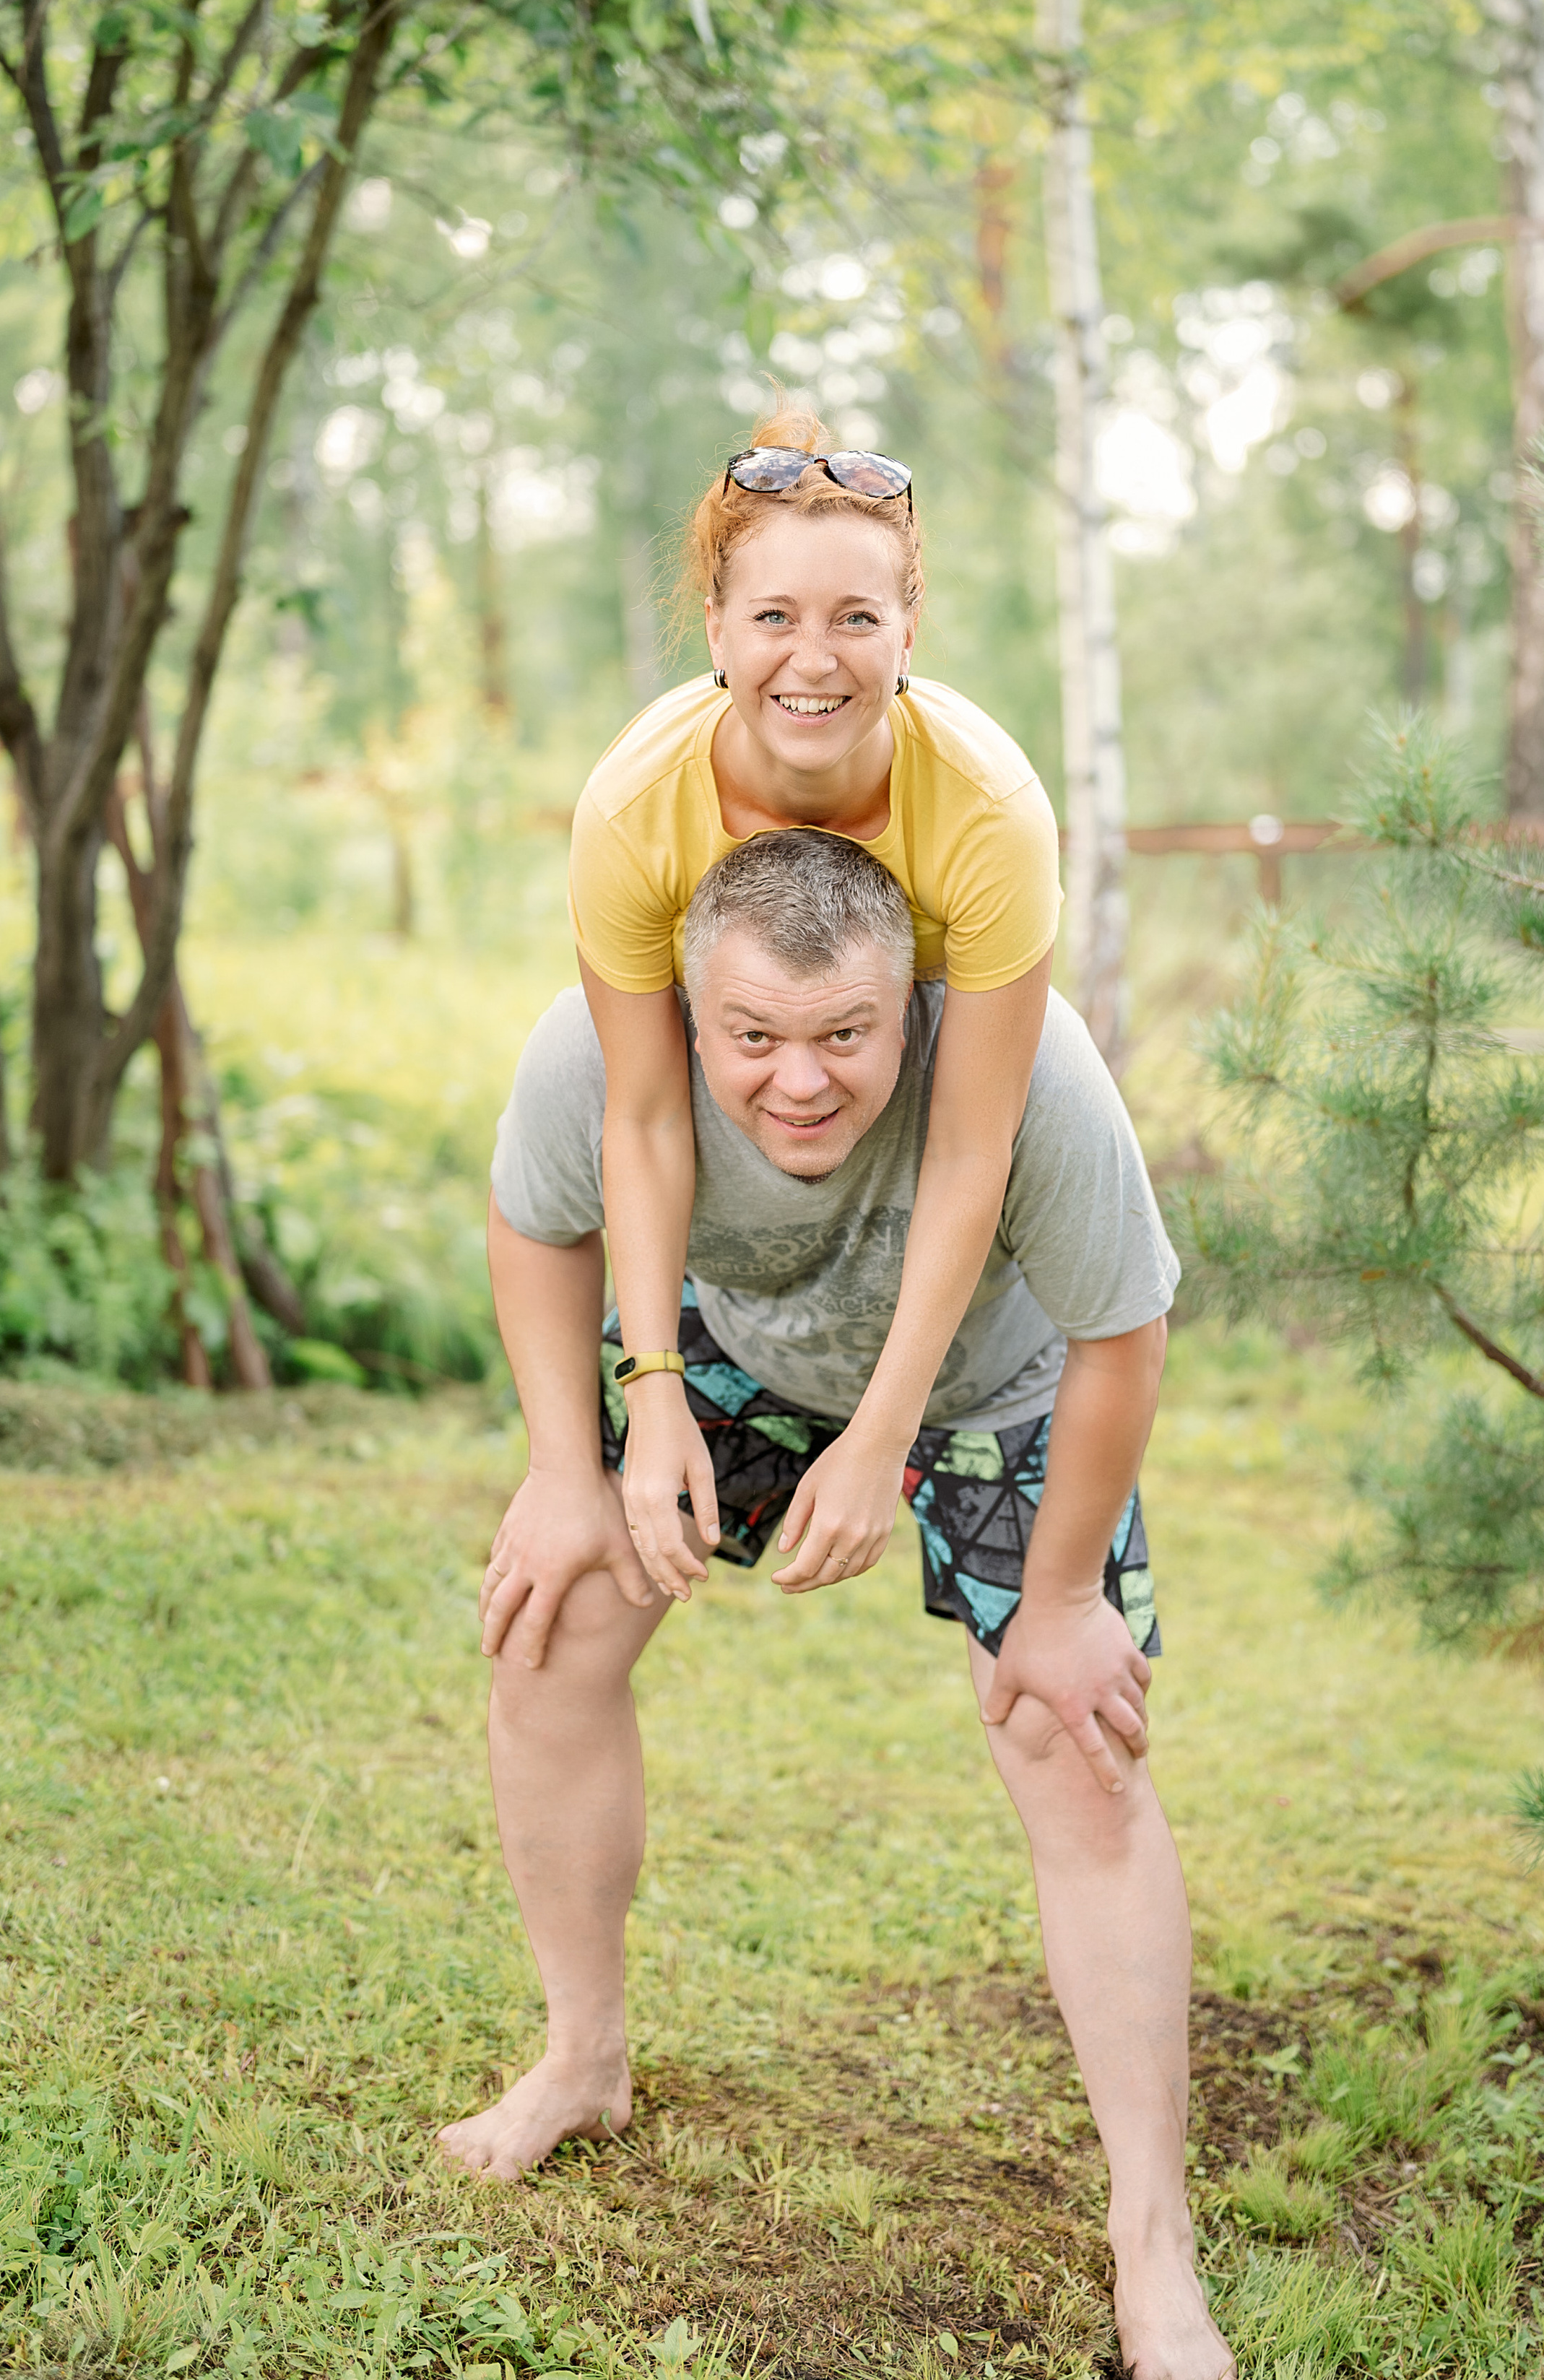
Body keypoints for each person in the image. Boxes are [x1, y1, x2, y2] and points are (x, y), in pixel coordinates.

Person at [441, 830, 1238, 2380]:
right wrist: (563, 1464)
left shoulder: (1031, 1071)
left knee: (1071, 1746)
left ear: (912, 1008)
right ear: (688, 1006)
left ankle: (1155, 2248)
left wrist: (1062, 1597)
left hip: (989, 1389)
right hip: (728, 1354)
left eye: (843, 1037)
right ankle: (580, 2059)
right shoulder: (596, 1041)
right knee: (548, 1628)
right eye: (752, 1037)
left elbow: (1122, 1333)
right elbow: (538, 1225)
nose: (796, 1081)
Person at [567, 404, 1062, 1626]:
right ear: (718, 631)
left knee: (1066, 1705)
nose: (815, 658)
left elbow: (970, 1143)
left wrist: (883, 1435)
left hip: (937, 1158)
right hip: (750, 1201)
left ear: (909, 630)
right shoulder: (634, 813)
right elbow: (639, 1119)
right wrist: (658, 1387)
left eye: (857, 617)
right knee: (573, 1607)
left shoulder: (990, 812)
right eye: (775, 617)